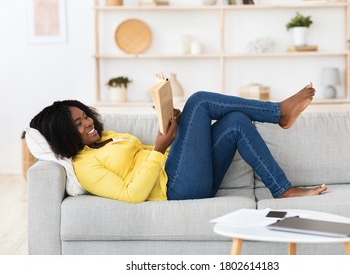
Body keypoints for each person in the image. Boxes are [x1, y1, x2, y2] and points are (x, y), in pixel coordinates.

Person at [29, 84, 327, 203]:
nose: (88, 124)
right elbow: (131, 194)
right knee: (199, 100)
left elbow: (156, 156)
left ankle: (282, 189)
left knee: (236, 121)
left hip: (183, 175)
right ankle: (278, 113)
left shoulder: (105, 138)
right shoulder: (84, 167)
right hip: (174, 190)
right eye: (78, 125)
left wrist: (181, 129)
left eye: (85, 116)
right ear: (64, 136)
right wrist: (159, 149)